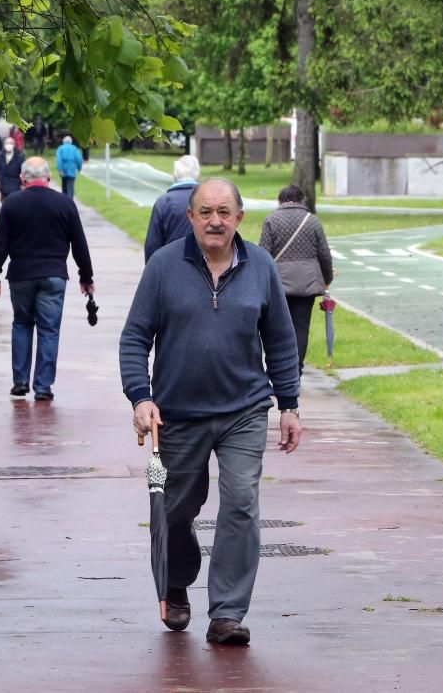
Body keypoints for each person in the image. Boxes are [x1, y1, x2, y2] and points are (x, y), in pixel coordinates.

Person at [119, 178, 302, 645]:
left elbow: (281, 339)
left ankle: (227, 613)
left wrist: (289, 404)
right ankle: (177, 580)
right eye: (205, 212)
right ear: (190, 217)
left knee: (241, 503)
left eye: (224, 211)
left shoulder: (260, 266)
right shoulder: (163, 267)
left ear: (239, 218)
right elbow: (134, 338)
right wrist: (141, 397)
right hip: (177, 414)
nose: (215, 220)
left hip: (243, 409)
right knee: (175, 511)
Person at [0, 157, 96, 401]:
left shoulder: (12, 204)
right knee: (49, 330)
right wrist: (86, 277)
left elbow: (0, 244)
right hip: (54, 275)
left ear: (22, 178)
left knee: (22, 324)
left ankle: (20, 381)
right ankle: (43, 386)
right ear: (48, 177)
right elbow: (79, 244)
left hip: (21, 276)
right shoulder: (65, 204)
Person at [258, 184, 333, 376]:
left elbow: (263, 253)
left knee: (276, 328)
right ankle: (295, 370)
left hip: (278, 284)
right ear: (302, 200)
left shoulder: (271, 220)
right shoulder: (312, 221)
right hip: (306, 284)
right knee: (300, 327)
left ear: (280, 200)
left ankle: (278, 370)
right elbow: (324, 254)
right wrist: (327, 278)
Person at [143, 155, 200, 263]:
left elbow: (152, 244)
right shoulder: (208, 200)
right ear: (198, 175)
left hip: (171, 266)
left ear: (174, 176)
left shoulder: (163, 202)